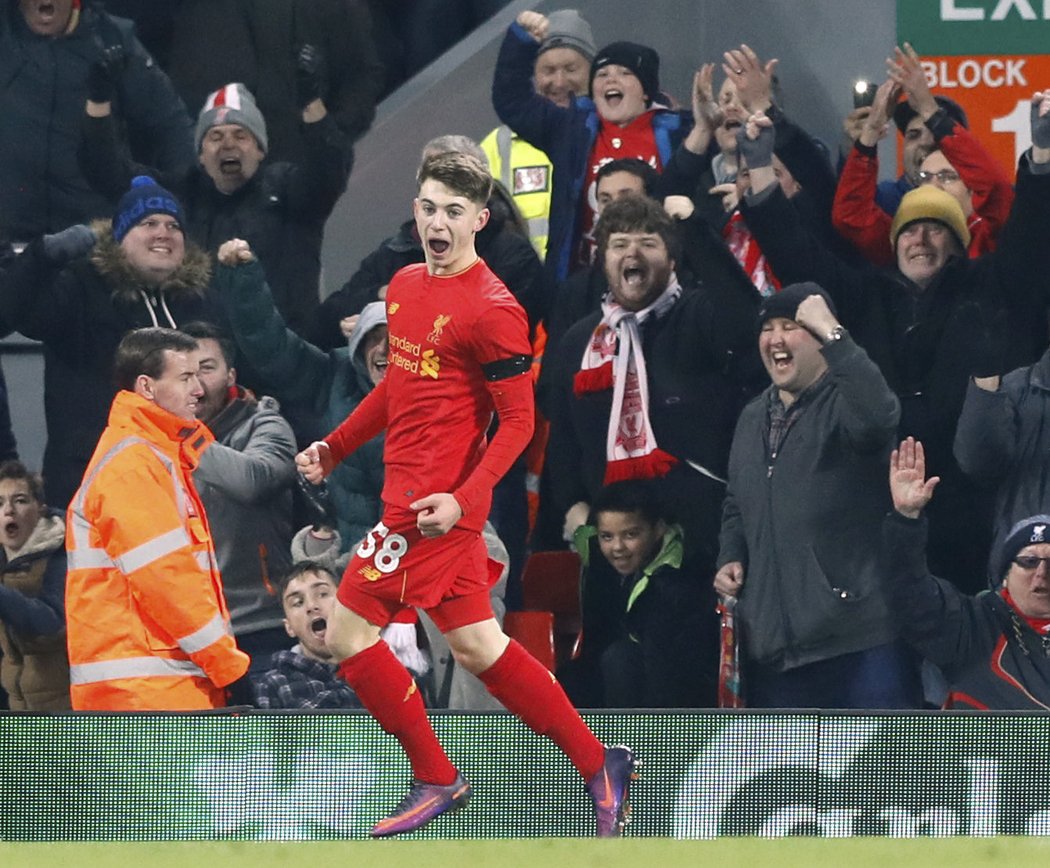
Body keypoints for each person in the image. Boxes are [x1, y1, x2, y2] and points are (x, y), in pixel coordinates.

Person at [287, 151, 636, 837]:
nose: (437, 223)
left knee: (349, 632)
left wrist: (463, 502)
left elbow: (519, 422)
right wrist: (335, 445)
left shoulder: (493, 309)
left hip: (436, 516)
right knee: (481, 648)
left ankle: (438, 776)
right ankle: (600, 763)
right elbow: (398, 388)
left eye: (453, 211)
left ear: (480, 219)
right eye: (428, 207)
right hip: (407, 505)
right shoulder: (405, 286)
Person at [737, 92, 1050, 595]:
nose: (920, 240)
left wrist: (1040, 159)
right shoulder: (865, 295)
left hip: (974, 509)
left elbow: (1033, 240)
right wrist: (758, 170)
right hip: (880, 509)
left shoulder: (989, 289)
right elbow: (796, 256)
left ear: (958, 242)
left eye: (935, 230)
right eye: (910, 229)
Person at [715, 283, 918, 708]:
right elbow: (737, 502)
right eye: (767, 328)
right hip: (777, 656)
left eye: (791, 326)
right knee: (788, 779)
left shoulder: (848, 403)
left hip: (860, 645)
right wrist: (731, 554)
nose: (776, 339)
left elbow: (881, 416)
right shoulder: (752, 417)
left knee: (881, 775)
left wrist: (835, 332)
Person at [543, 193, 760, 569]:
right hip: (612, 546)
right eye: (619, 244)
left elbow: (745, 315)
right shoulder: (580, 340)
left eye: (648, 243)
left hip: (699, 538)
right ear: (603, 259)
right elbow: (563, 439)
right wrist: (574, 507)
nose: (633, 253)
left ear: (673, 260)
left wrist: (693, 227)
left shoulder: (699, 315)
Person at [0, 175, 213, 509]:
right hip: (91, 482)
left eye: (174, 225)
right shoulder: (80, 287)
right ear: (120, 236)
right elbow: (18, 312)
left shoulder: (200, 302)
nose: (163, 233)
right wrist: (42, 256)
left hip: (181, 480)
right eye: (148, 223)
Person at [65, 327, 250, 710]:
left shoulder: (151, 456)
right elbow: (169, 581)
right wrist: (227, 666)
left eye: (200, 375)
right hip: (146, 695)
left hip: (155, 687)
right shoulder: (133, 464)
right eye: (185, 377)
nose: (198, 389)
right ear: (147, 388)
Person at [80, 78, 349, 342]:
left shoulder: (289, 190)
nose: (228, 144)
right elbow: (107, 171)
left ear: (260, 150)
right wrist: (99, 104)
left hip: (286, 354)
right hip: (201, 362)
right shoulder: (180, 196)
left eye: (240, 135)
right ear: (200, 155)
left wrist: (312, 107)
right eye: (215, 136)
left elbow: (328, 172)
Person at [493, 10, 699, 286]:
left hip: (662, 281)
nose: (611, 80)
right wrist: (521, 42)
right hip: (584, 282)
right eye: (602, 74)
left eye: (624, 73)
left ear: (646, 90)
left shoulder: (678, 132)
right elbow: (512, 100)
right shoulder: (571, 129)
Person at [0, 0, 195, 241]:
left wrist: (186, 205)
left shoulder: (113, 41)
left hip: (90, 234)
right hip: (8, 231)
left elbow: (169, 124)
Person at [885, 436, 1050, 709]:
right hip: (988, 750)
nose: (1041, 573)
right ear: (1005, 574)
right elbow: (908, 592)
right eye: (1029, 562)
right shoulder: (972, 625)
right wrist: (906, 520)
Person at [181, 321, 297, 672]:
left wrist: (182, 432)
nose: (196, 385)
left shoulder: (265, 424)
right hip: (191, 631)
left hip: (260, 623)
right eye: (184, 374)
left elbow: (253, 480)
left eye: (207, 368)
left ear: (231, 374)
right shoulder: (155, 443)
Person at [833, 44, 1013, 267]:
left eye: (947, 176)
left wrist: (930, 110)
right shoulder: (902, 242)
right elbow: (850, 216)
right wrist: (869, 133)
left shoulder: (989, 240)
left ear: (972, 192)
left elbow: (997, 190)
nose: (934, 185)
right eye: (925, 177)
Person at [562, 479, 717, 708]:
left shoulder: (681, 579)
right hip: (619, 688)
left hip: (676, 703)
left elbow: (671, 675)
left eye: (631, 535)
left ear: (658, 530)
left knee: (619, 659)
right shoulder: (598, 561)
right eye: (607, 536)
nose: (617, 547)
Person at [480, 8, 597, 259]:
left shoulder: (608, 133)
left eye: (570, 68)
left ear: (593, 71)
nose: (559, 81)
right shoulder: (497, 145)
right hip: (517, 286)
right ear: (534, 75)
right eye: (549, 70)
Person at [0, 460, 69, 710]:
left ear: (40, 508)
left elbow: (53, 627)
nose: (8, 510)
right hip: (19, 710)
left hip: (64, 714)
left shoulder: (62, 554)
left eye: (19, 500)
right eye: (0, 503)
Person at [253, 561, 362, 709]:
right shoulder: (274, 684)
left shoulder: (378, 669)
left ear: (346, 605)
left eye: (323, 594)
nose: (311, 606)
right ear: (289, 627)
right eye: (298, 602)